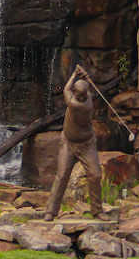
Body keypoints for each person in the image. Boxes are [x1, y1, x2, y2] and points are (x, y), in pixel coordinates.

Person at [44, 64, 103, 219]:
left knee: (95, 175)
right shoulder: (86, 95)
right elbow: (78, 88)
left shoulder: (78, 104)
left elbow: (66, 89)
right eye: (81, 94)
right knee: (62, 175)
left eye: (84, 95)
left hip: (86, 144)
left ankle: (97, 210)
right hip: (68, 143)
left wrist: (75, 74)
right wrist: (82, 75)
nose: (83, 97)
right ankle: (51, 211)